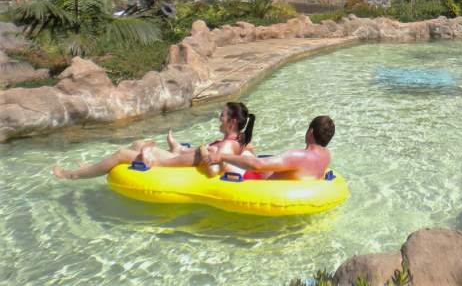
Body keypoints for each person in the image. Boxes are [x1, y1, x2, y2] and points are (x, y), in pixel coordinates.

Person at [52, 102, 255, 179]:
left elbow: (213, 171)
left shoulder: (229, 144)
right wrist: (178, 148)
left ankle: (73, 175)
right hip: (175, 158)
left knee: (121, 154)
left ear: (232, 121)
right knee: (139, 144)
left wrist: (202, 150)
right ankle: (91, 167)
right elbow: (243, 151)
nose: (219, 118)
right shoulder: (235, 139)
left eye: (222, 115)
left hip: (165, 164)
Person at [205, 115, 335, 180]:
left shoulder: (299, 155)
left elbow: (257, 165)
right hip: (275, 179)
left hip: (258, 183)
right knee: (246, 151)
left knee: (218, 151)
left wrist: (222, 156)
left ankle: (203, 150)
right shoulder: (326, 155)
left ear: (310, 132)